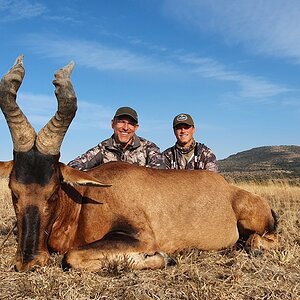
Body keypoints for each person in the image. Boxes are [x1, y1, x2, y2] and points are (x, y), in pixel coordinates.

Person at [68, 106, 163, 170]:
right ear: (113, 124)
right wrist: (98, 176)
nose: (125, 128)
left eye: (130, 124)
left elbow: (160, 170)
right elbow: (73, 166)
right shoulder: (103, 148)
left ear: (136, 128)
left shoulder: (149, 147)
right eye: (121, 122)